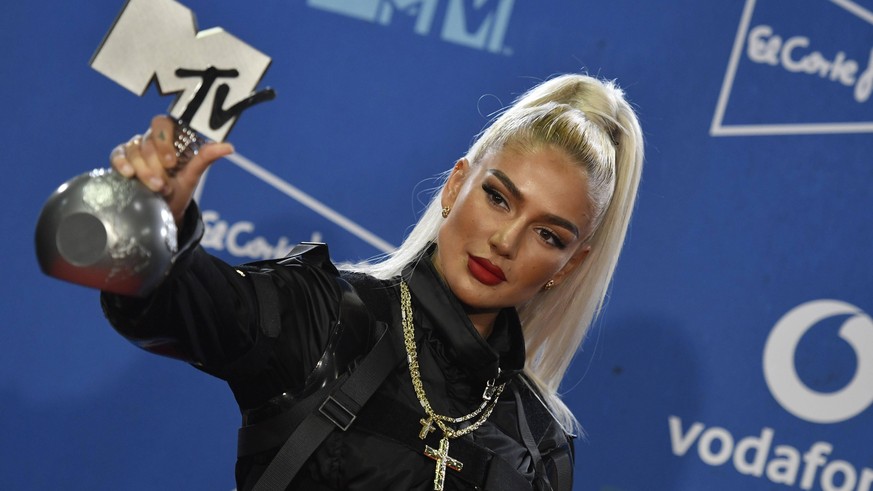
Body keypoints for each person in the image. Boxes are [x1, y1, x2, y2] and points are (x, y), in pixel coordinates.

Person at [102, 73, 644, 491]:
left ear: (570, 266)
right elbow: (185, 305)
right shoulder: (329, 316)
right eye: (498, 198)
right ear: (456, 186)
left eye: (548, 236)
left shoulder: (540, 441)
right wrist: (155, 235)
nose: (506, 241)